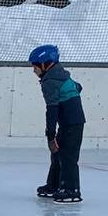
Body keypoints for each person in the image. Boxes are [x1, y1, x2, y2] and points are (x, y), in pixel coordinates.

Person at [29, 44, 85, 204]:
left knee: (67, 156)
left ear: (45, 65)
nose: (33, 71)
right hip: (70, 122)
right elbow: (78, 86)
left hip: (72, 123)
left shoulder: (50, 82)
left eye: (35, 67)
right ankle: (54, 185)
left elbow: (52, 110)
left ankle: (71, 190)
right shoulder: (62, 75)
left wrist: (50, 135)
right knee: (57, 155)